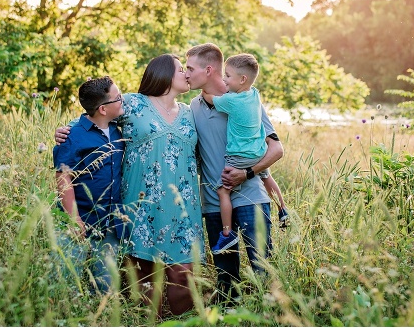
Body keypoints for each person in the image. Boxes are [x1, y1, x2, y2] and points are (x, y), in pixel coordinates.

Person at [55, 54, 202, 316]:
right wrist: (64, 130)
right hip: (140, 206)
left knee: (183, 278)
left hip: (183, 208)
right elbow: (94, 116)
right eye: (182, 70)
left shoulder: (193, 112)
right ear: (165, 75)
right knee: (145, 279)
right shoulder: (133, 104)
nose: (187, 74)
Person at [184, 43, 284, 304]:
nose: (186, 74)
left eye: (190, 68)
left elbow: (276, 148)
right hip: (214, 202)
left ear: (208, 70)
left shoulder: (248, 101)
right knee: (225, 280)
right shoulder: (191, 108)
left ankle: (270, 318)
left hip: (252, 196)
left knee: (263, 268)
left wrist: (247, 172)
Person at [201, 53, 289, 255]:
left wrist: (206, 88)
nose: (224, 79)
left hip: (239, 156)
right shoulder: (255, 95)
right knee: (266, 176)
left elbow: (209, 97)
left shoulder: (232, 101)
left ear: (242, 79)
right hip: (258, 152)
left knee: (223, 191)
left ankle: (226, 234)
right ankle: (282, 209)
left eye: (228, 76)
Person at [52, 75, 128, 294]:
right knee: (68, 280)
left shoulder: (117, 128)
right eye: (118, 97)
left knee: (106, 284)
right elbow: (63, 177)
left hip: (110, 221)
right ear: (103, 109)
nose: (123, 100)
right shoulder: (73, 136)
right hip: (80, 219)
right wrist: (74, 217)